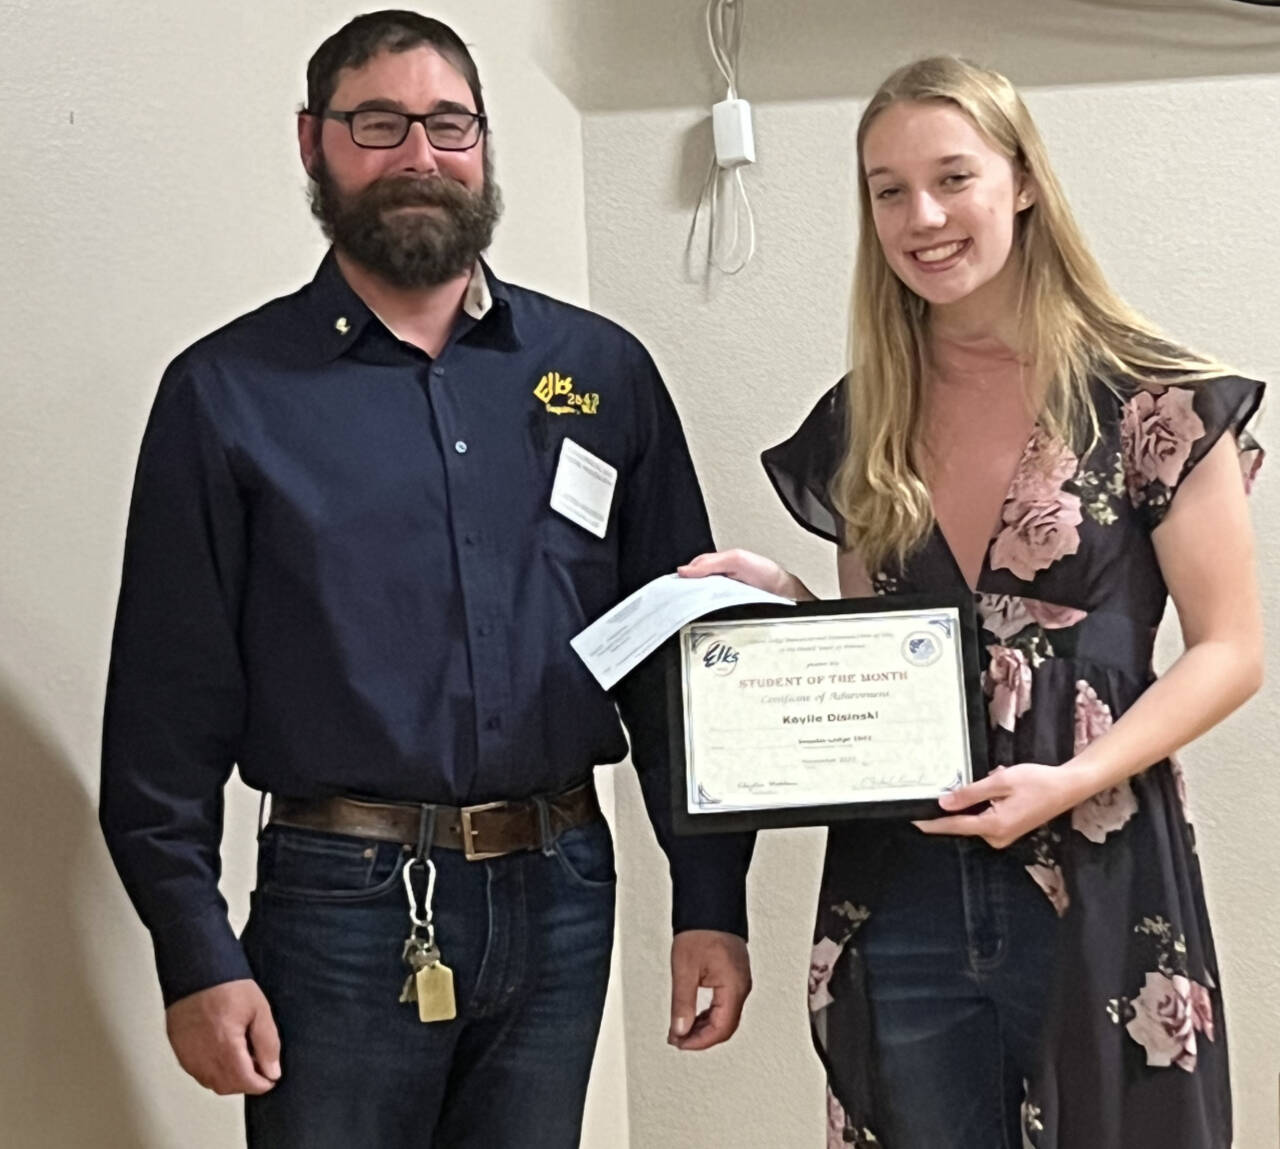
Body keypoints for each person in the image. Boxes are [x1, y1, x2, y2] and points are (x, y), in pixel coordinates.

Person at [99, 11, 753, 1148]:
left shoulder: (597, 374)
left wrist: (710, 903)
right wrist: (193, 952)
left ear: (484, 144)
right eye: (378, 124)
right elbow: (164, 712)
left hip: (561, 888)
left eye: (448, 124)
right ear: (313, 144)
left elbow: (672, 666)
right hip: (338, 907)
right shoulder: (225, 395)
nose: (418, 155)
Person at [681, 55, 1263, 1149]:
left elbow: (1229, 649)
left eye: (952, 177)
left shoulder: (1154, 398)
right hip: (900, 888)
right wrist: (783, 601)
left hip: (1097, 865)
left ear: (1023, 181)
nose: (922, 215)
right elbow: (887, 654)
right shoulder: (865, 417)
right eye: (886, 189)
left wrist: (1072, 779)